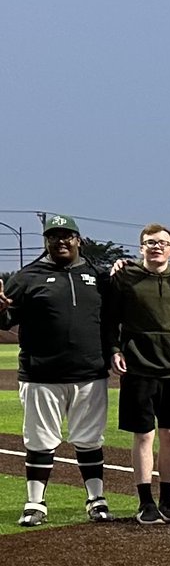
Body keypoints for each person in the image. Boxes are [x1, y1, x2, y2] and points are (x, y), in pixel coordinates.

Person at [0, 214, 113, 526]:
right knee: (39, 441)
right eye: (54, 236)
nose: (61, 241)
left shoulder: (96, 275)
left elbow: (113, 319)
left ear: (78, 239)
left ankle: (96, 500)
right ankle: (35, 503)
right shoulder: (27, 276)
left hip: (90, 374)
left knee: (90, 439)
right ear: (46, 241)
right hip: (41, 375)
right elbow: (6, 319)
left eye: (67, 236)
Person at [107, 224, 170, 525]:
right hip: (138, 367)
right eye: (150, 242)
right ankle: (145, 502)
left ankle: (168, 500)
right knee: (144, 435)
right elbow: (110, 319)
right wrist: (114, 350)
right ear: (141, 247)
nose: (156, 247)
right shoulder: (124, 278)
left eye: (162, 243)